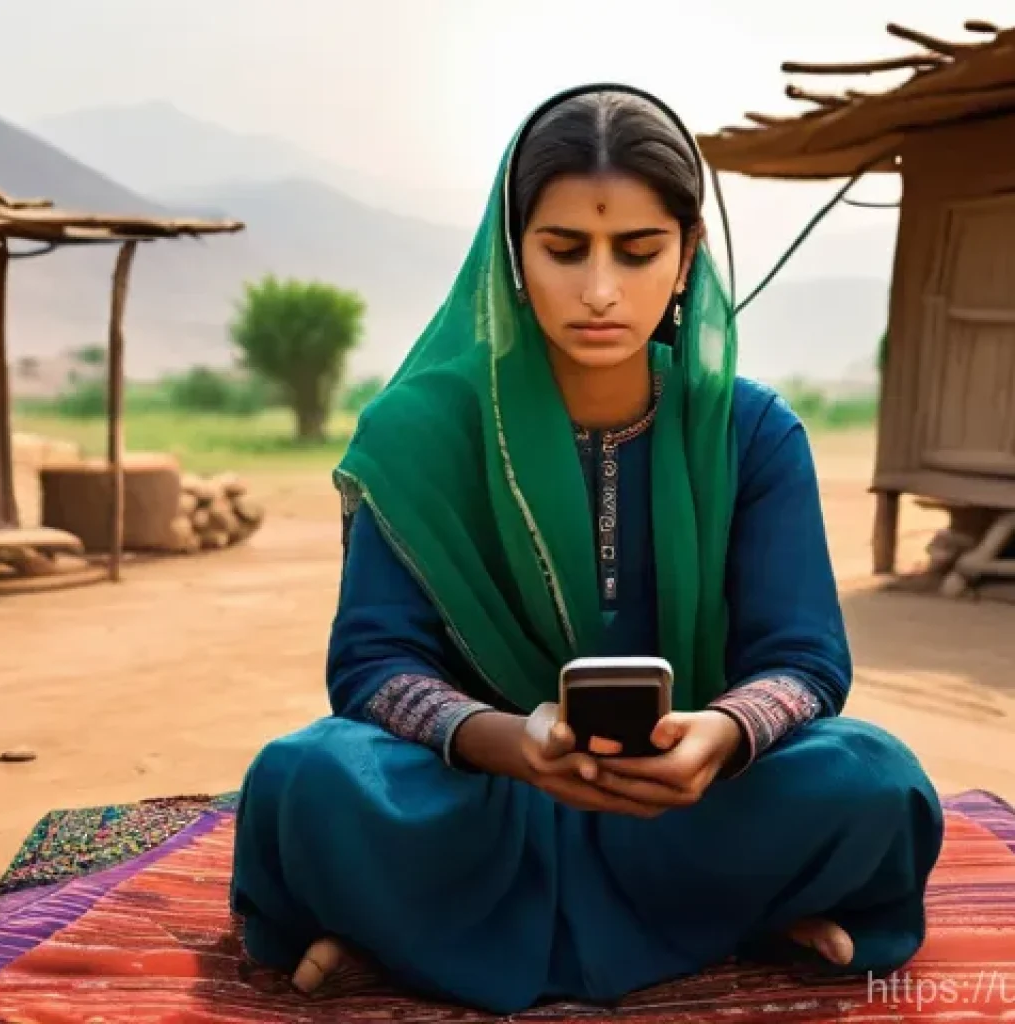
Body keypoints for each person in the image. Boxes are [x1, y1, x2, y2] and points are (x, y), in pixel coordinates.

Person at [229, 83, 945, 1014]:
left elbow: (803, 661)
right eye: (564, 250)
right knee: (306, 778)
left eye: (639, 251)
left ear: (687, 255)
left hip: (688, 803)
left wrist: (720, 740)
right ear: (514, 256)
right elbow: (372, 665)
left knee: (872, 778)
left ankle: (400, 934)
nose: (600, 289)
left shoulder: (753, 432)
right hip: (475, 798)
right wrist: (511, 745)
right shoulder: (421, 432)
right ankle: (737, 921)